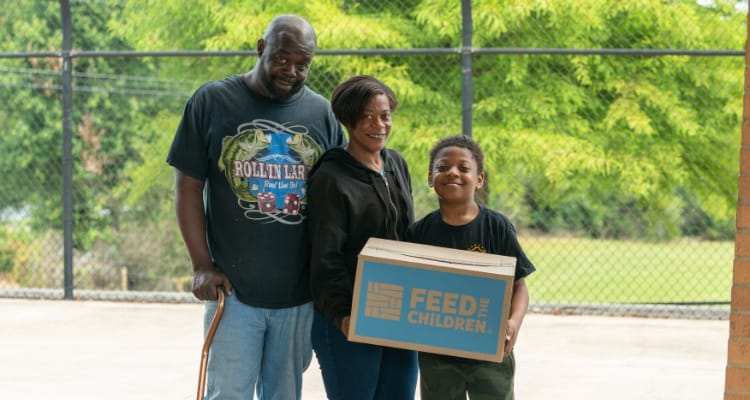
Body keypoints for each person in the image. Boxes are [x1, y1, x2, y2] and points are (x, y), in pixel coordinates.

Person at [166, 14, 346, 400]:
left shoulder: (322, 115)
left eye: (303, 64)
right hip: (233, 293)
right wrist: (200, 265)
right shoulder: (213, 101)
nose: (291, 71)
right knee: (227, 394)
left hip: (299, 295)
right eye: (282, 58)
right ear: (261, 48)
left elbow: (339, 197)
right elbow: (188, 186)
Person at [307, 75, 418, 400]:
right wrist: (343, 314)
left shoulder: (395, 163)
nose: (378, 125)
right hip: (350, 314)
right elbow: (325, 256)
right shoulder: (330, 178)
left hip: (398, 311)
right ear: (348, 119)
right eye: (367, 116)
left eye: (384, 115)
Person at [406, 134, 536, 400]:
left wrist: (513, 323)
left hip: (490, 351)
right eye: (442, 167)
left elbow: (519, 286)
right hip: (437, 354)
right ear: (430, 178)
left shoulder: (497, 227)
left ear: (479, 179)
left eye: (463, 168)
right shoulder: (420, 232)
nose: (452, 172)